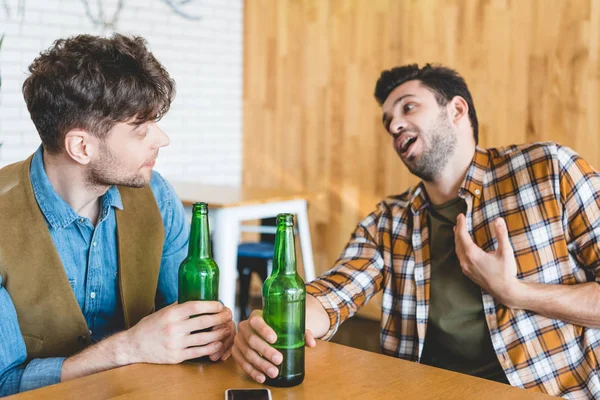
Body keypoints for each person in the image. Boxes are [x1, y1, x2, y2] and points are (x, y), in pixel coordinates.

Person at [232, 63, 600, 398]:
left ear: (456, 110)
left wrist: (517, 293)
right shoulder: (388, 221)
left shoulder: (548, 170)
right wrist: (271, 327)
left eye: (408, 108)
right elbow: (332, 295)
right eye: (388, 120)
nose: (393, 126)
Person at [0, 34, 235, 396]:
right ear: (81, 146)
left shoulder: (157, 195)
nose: (162, 139)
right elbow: (4, 383)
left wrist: (218, 334)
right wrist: (130, 348)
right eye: (140, 130)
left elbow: (195, 326)